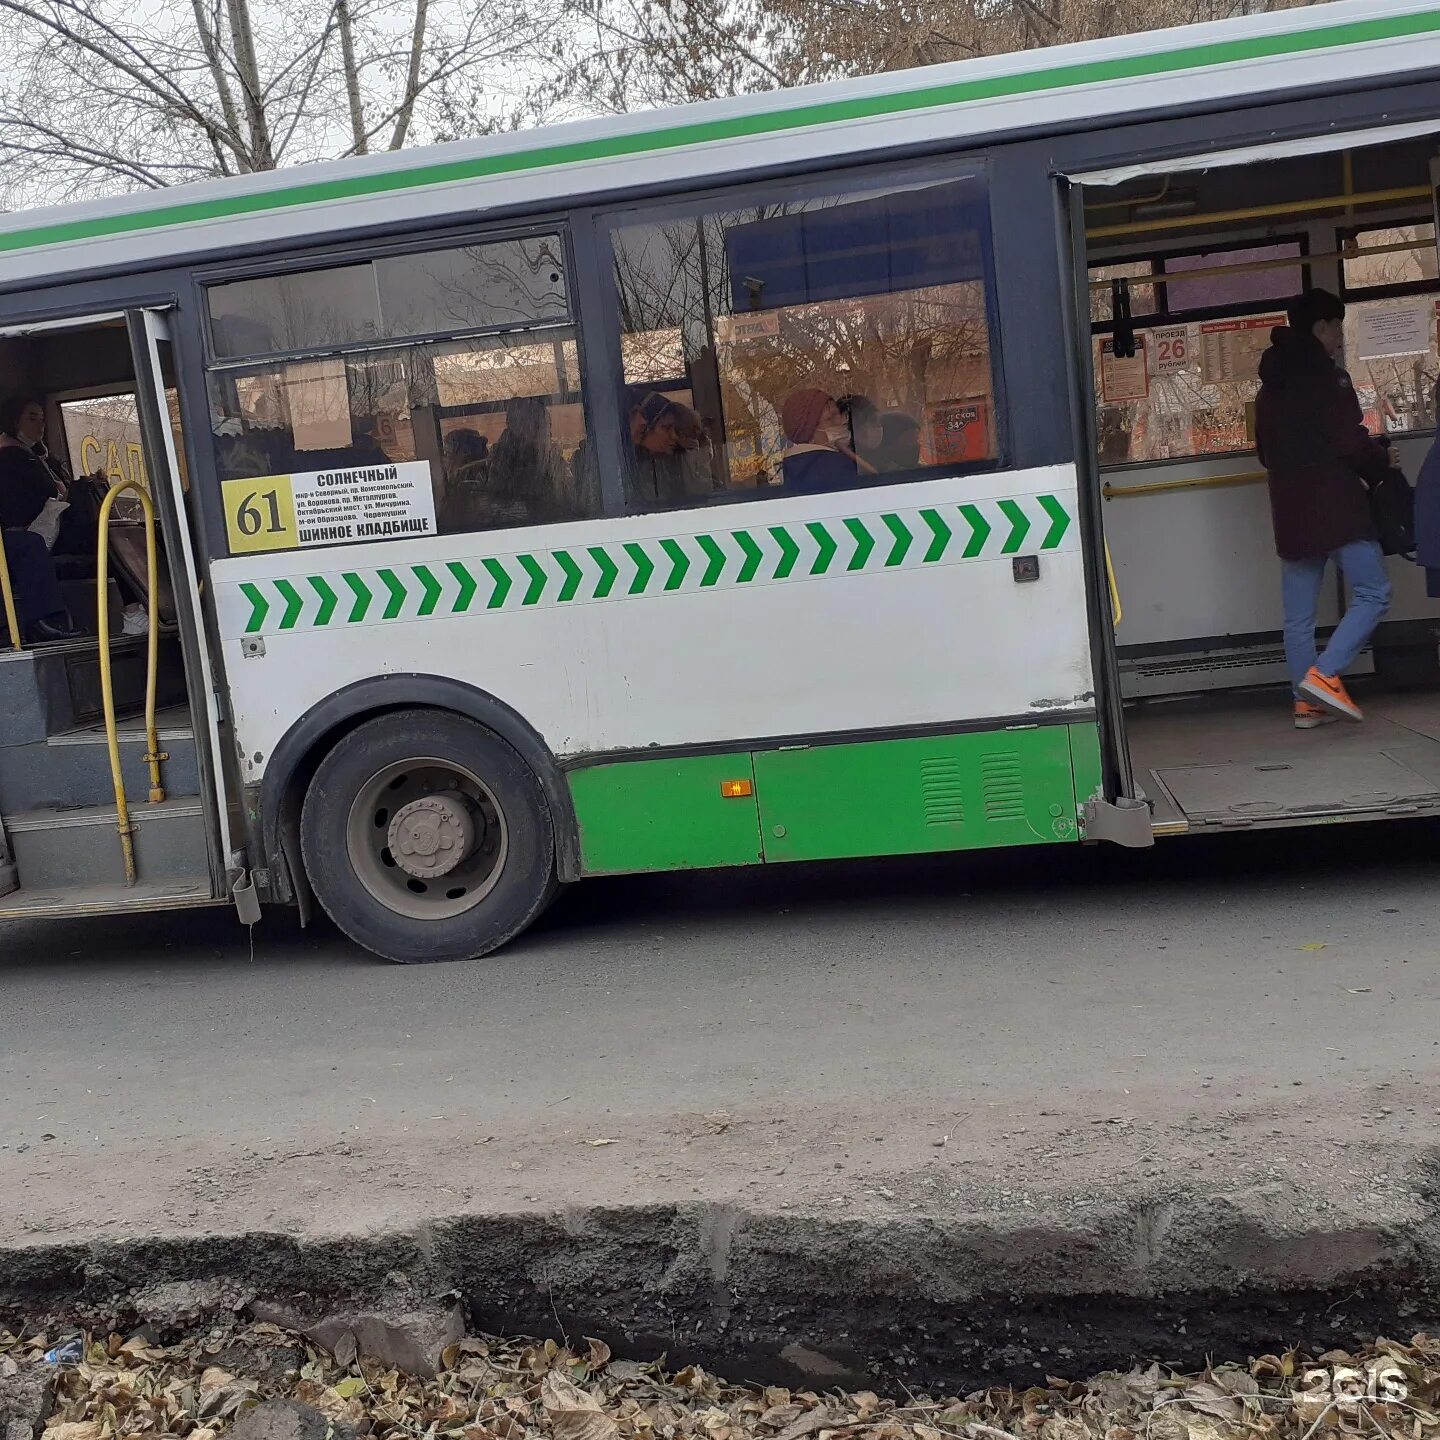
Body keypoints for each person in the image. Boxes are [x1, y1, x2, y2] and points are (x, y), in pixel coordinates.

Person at [1255, 288, 1394, 728]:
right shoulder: (1329, 377)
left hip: (1290, 509)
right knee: (1374, 592)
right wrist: (1380, 463)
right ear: (1321, 327)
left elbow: (1264, 453)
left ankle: (1306, 703)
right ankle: (1325, 674)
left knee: (1299, 616)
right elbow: (1349, 438)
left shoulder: (1269, 387)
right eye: (1337, 327)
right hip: (1336, 505)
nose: (1339, 338)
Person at [779, 389, 877, 493]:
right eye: (830, 419)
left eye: (839, 415)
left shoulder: (795, 466)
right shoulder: (836, 468)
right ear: (809, 433)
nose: (841, 421)